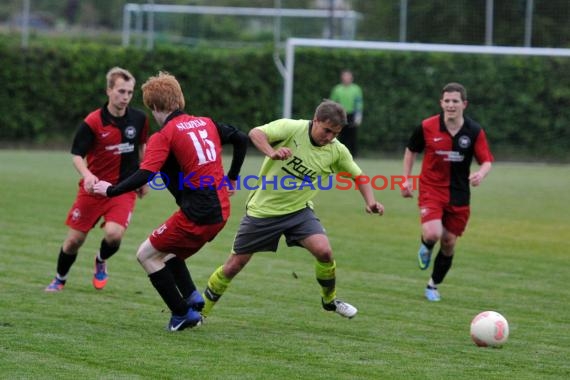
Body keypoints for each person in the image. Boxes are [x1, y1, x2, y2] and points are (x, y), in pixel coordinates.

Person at [201, 99, 384, 320]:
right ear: (315, 120)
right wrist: (271, 152)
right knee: (233, 266)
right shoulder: (293, 128)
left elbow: (359, 176)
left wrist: (370, 201)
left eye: (335, 133)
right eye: (326, 130)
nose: (330, 137)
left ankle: (329, 300)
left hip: (299, 212)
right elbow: (255, 133)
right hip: (263, 210)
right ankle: (200, 312)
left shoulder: (337, 151)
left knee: (324, 252)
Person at [93, 71, 248, 331]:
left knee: (146, 255)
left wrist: (111, 190)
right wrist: (232, 178)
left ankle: (181, 315)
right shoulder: (206, 123)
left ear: (153, 106)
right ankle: (191, 296)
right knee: (169, 251)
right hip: (221, 211)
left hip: (198, 212)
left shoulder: (164, 135)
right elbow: (241, 138)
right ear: (179, 99)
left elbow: (146, 173)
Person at [45, 67, 150, 292]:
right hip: (92, 190)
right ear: (109, 90)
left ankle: (101, 260)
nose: (125, 97)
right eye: (121, 91)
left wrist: (143, 177)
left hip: (122, 188)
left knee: (113, 235)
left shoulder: (139, 118)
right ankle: (59, 279)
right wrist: (88, 175)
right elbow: (76, 156)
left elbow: (142, 147)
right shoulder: (93, 122)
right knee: (74, 241)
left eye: (130, 92)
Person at [401, 82, 494, 302]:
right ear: (441, 103)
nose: (451, 105)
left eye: (455, 101)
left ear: (464, 104)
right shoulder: (427, 126)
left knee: (449, 242)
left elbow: (487, 160)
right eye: (447, 101)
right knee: (434, 233)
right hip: (431, 188)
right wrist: (406, 179)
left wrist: (481, 173)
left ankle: (433, 285)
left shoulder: (474, 131)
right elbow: (411, 151)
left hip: (459, 193)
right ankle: (426, 244)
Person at [329, 69, 363, 158]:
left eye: (348, 76)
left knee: (352, 136)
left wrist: (358, 115)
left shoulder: (356, 89)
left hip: (352, 115)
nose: (346, 78)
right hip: (340, 115)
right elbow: (332, 102)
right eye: (345, 76)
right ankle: (340, 154)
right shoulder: (337, 89)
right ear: (342, 77)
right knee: (341, 135)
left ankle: (353, 155)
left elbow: (359, 102)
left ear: (351, 78)